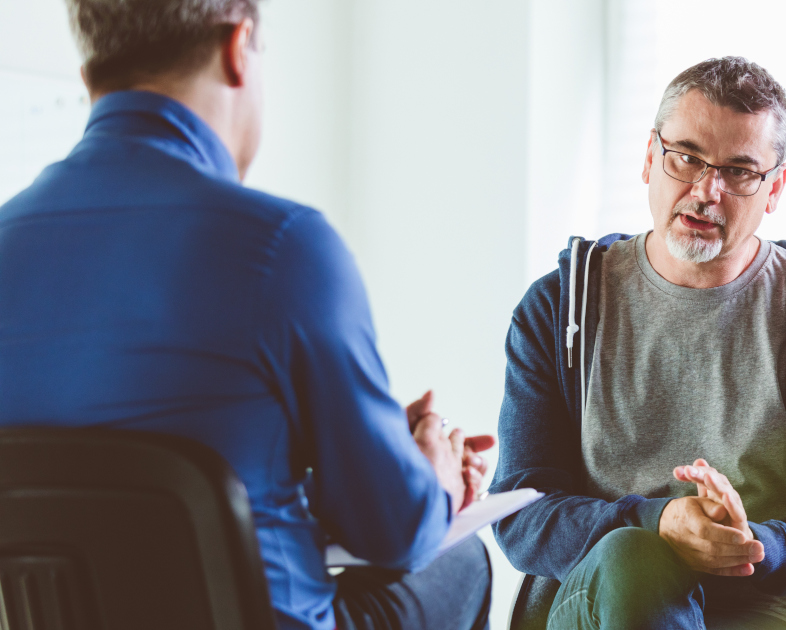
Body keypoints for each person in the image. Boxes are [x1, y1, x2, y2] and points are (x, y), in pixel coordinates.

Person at [0, 1, 492, 629]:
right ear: (240, 47)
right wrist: (435, 473)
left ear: (90, 77)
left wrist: (345, 444)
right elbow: (394, 530)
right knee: (462, 559)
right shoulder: (283, 245)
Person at [489, 56, 786, 629]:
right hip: (608, 599)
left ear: (774, 186)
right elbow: (520, 513)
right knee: (634, 559)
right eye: (686, 157)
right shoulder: (559, 310)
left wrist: (753, 544)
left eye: (739, 171)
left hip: (774, 603)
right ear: (649, 158)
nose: (707, 191)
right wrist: (656, 522)